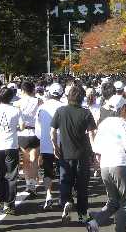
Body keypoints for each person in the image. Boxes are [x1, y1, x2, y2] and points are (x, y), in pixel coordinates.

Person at [86, 95, 126, 232]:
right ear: (122, 109)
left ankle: (95, 222)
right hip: (119, 163)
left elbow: (96, 147)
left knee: (113, 201)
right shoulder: (123, 123)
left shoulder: (103, 123)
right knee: (124, 201)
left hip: (105, 165)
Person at [51, 85, 97, 223]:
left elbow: (52, 131)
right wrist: (94, 152)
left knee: (65, 180)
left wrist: (54, 146)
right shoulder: (86, 113)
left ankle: (66, 201)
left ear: (68, 96)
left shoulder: (60, 111)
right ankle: (82, 214)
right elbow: (91, 133)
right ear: (82, 98)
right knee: (82, 185)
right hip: (83, 154)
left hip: (65, 152)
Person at [35, 82, 65, 209]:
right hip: (62, 143)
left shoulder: (42, 108)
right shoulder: (64, 107)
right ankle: (63, 196)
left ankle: (48, 195)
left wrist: (43, 140)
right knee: (63, 170)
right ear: (62, 93)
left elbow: (38, 129)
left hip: (46, 143)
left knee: (47, 171)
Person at [13, 81, 41, 198]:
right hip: (35, 132)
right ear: (33, 90)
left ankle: (28, 183)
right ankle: (33, 184)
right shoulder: (39, 101)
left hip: (22, 133)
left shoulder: (17, 103)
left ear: (23, 90)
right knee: (34, 160)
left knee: (25, 160)